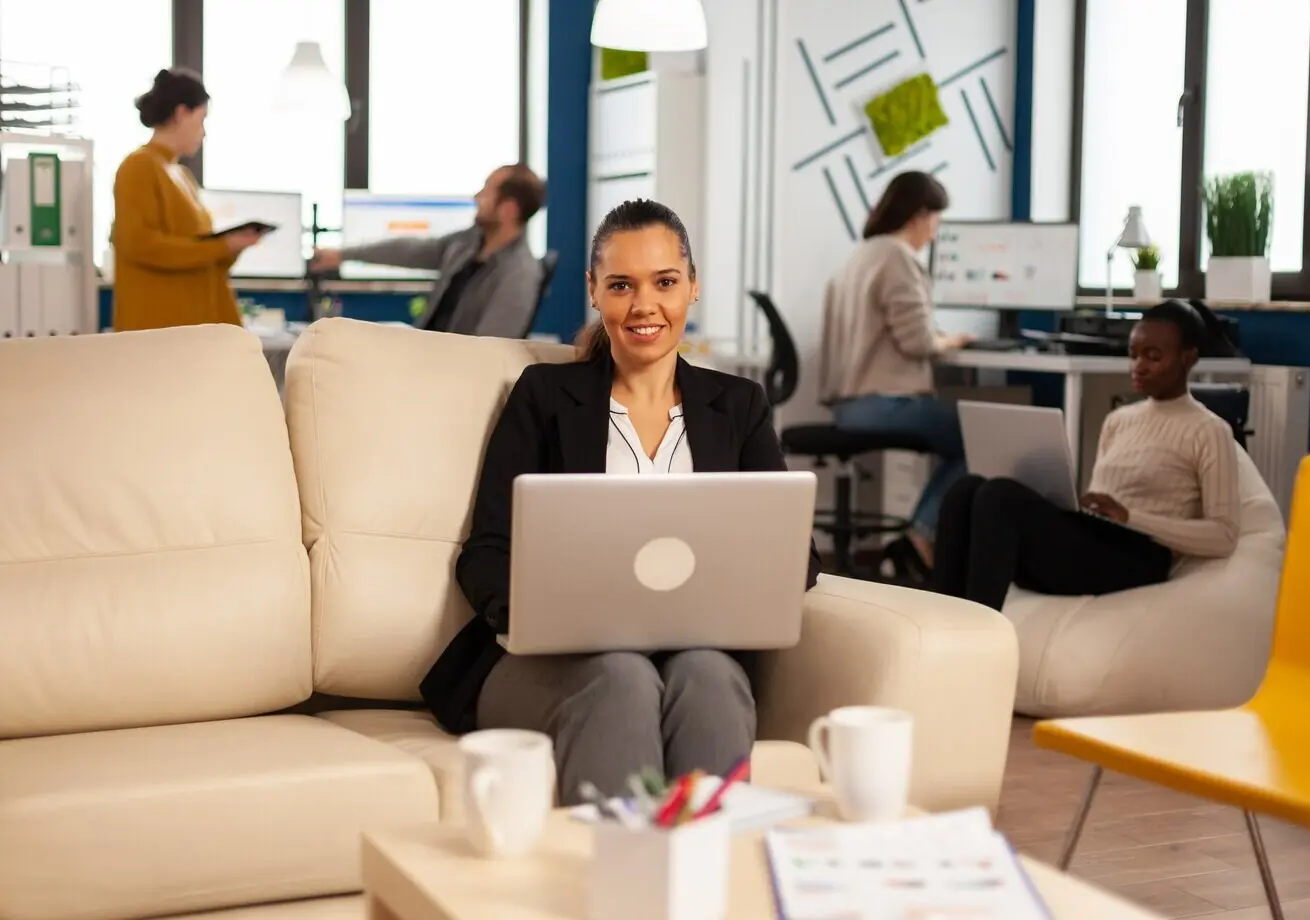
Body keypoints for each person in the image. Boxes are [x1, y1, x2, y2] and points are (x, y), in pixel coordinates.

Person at [420, 198, 821, 804]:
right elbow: (485, 552)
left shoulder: (738, 407)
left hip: (697, 653)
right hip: (550, 665)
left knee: (709, 676)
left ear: (692, 287)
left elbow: (797, 555)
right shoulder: (545, 396)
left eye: (664, 282)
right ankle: (617, 885)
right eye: (621, 286)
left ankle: (707, 882)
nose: (644, 306)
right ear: (593, 291)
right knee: (622, 676)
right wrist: (533, 619)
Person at [930, 300, 1241, 612]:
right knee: (966, 490)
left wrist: (1132, 517)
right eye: (1133, 355)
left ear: (1189, 358)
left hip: (1142, 557)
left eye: (1153, 357)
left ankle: (980, 639)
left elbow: (1224, 536)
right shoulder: (1119, 420)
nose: (1138, 366)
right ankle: (944, 625)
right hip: (1097, 545)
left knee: (998, 496)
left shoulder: (1208, 430)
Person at [819, 170, 975, 582]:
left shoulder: (860, 255)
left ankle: (919, 540)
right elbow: (918, 341)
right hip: (884, 403)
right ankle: (920, 536)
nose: (935, 235)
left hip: (849, 406)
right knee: (979, 439)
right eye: (936, 222)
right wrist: (951, 341)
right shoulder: (898, 257)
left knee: (962, 436)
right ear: (919, 215)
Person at [311, 165, 547, 338]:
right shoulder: (468, 243)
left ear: (508, 209)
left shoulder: (519, 274)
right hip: (423, 353)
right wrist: (342, 255)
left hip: (450, 376)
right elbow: (410, 251)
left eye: (486, 191)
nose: (477, 197)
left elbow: (491, 349)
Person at [111, 69, 265, 331]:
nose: (204, 132)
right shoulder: (138, 167)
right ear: (182, 113)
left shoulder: (182, 176)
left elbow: (199, 253)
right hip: (160, 331)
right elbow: (139, 244)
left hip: (192, 326)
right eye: (202, 119)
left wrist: (233, 246)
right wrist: (221, 247)